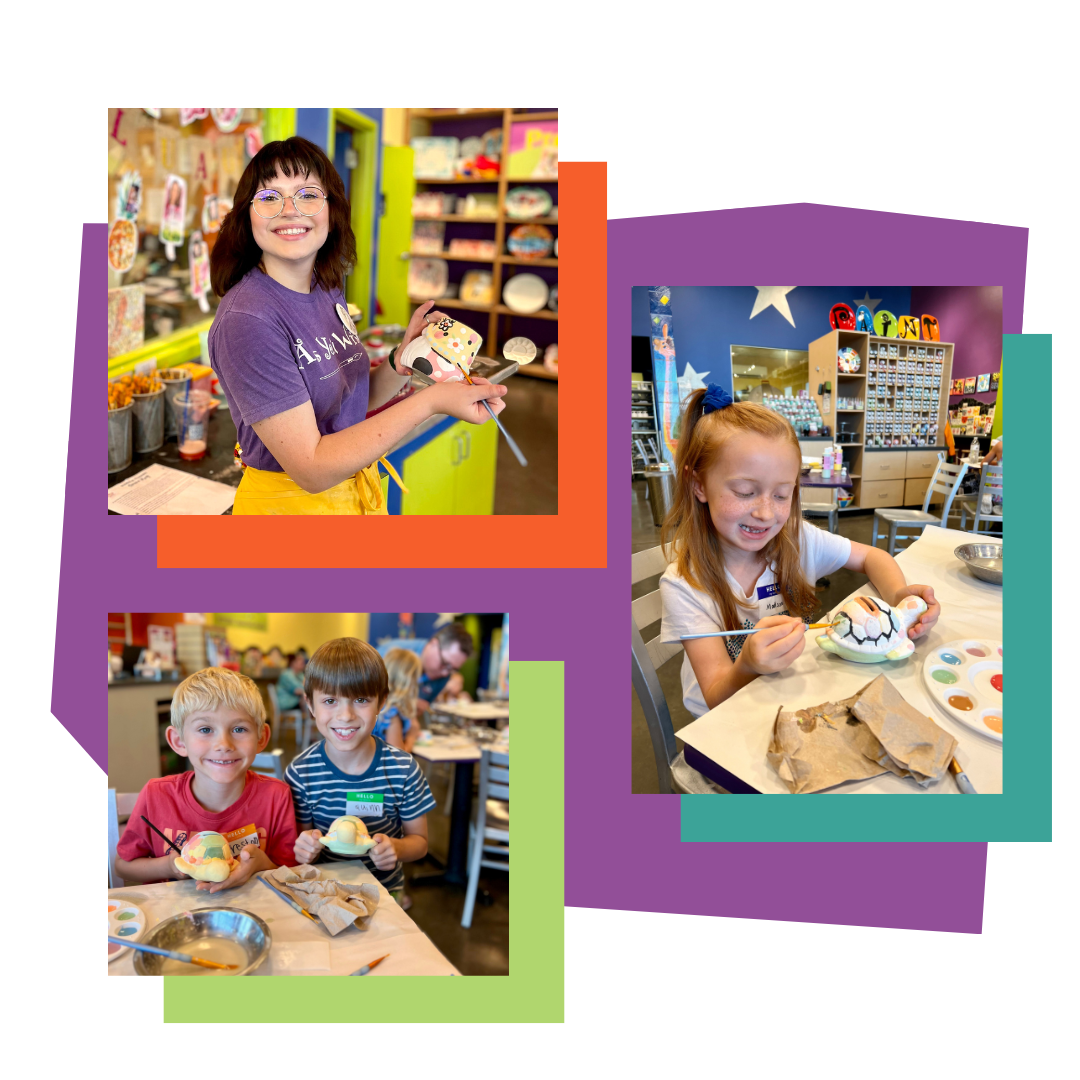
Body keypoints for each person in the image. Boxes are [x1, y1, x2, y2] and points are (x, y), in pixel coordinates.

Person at [207, 136, 508, 515]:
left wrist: (406, 358)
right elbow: (312, 469)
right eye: (269, 198)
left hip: (351, 498)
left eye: (308, 195)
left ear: (331, 210)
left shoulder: (325, 286)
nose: (289, 210)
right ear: (247, 215)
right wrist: (432, 401)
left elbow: (350, 401)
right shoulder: (248, 320)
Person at [658, 385, 941, 718]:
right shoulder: (684, 584)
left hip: (793, 697)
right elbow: (716, 694)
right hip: (727, 718)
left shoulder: (797, 540)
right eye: (746, 491)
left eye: (782, 495)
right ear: (699, 485)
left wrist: (899, 600)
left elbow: (872, 557)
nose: (766, 513)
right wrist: (747, 664)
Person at [113, 668, 298, 889]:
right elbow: (123, 865)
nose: (224, 745)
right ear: (179, 741)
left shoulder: (276, 796)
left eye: (239, 729)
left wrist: (260, 864)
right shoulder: (156, 794)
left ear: (261, 738)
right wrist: (171, 866)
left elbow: (290, 873)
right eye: (205, 729)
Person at [286, 638, 435, 907]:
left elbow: (420, 842)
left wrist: (397, 848)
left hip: (385, 895)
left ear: (381, 702)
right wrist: (303, 847)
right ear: (310, 705)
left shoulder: (403, 769)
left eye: (361, 699)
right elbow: (301, 842)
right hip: (324, 894)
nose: (345, 715)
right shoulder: (301, 772)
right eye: (330, 700)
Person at [373, 648, 422, 753]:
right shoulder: (392, 714)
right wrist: (411, 736)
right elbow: (398, 759)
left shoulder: (376, 703)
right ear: (409, 680)